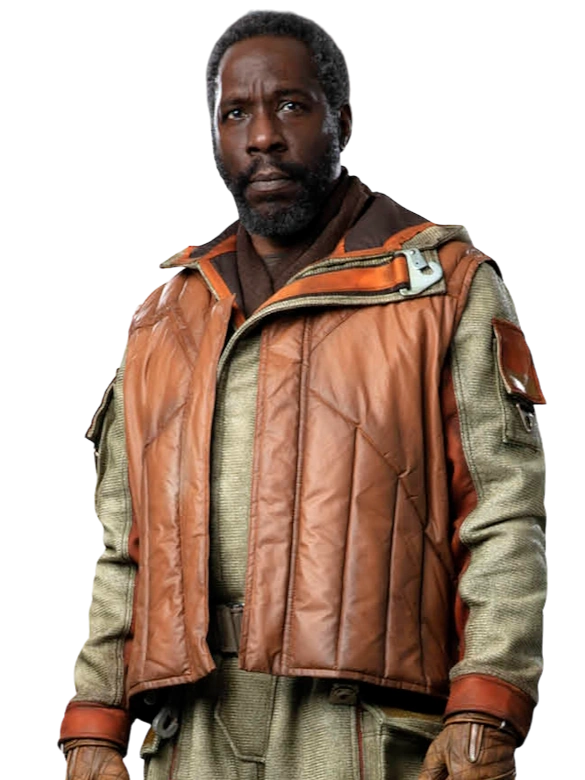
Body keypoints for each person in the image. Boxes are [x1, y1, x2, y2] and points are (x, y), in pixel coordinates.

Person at [59, 9, 547, 780]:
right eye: (235, 113)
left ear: (342, 121)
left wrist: (488, 703)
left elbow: (504, 516)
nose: (262, 137)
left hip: (362, 728)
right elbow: (123, 544)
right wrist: (94, 719)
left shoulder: (440, 288)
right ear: (214, 134)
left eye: (290, 105)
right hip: (190, 727)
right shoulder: (165, 316)